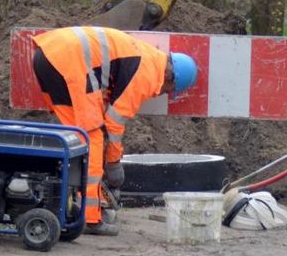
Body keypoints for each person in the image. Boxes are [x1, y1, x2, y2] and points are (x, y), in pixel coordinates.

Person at [31, 26, 198, 235]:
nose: (163, 93)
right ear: (169, 76)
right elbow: (114, 123)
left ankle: (60, 201)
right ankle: (89, 218)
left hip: (47, 55)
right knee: (91, 137)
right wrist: (113, 164)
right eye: (168, 90)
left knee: (74, 135)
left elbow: (104, 101)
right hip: (69, 60)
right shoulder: (147, 75)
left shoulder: (145, 57)